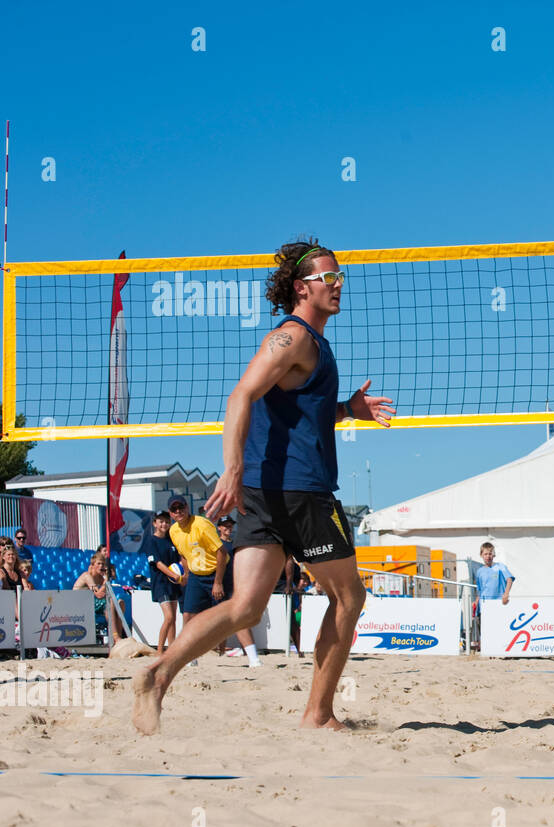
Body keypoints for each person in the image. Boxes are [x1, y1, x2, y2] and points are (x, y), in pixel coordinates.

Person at [133, 238, 394, 734]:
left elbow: (298, 415)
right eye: (329, 278)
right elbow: (241, 396)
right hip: (299, 493)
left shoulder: (310, 344)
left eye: (341, 277)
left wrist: (345, 411)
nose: (339, 285)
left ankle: (157, 672)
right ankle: (318, 716)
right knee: (349, 599)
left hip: (268, 491)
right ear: (301, 287)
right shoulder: (293, 338)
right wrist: (229, 470)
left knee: (244, 606)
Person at [166, 495, 228, 628]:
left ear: (187, 507)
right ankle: (188, 648)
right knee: (188, 614)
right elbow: (183, 554)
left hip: (216, 572)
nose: (178, 511)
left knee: (218, 616)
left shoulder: (202, 524)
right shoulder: (173, 531)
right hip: (196, 575)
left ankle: (220, 649)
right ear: (170, 513)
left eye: (181, 507)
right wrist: (187, 575)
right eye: (174, 509)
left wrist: (218, 582)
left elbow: (222, 552)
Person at [217, 516, 260, 667]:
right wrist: (217, 584)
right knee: (221, 621)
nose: (228, 528)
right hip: (221, 585)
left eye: (230, 526)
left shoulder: (236, 544)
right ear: (219, 528)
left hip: (236, 585)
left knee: (240, 620)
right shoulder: (217, 544)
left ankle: (252, 657)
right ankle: (221, 652)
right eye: (225, 526)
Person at [142, 511, 184, 654]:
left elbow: (178, 559)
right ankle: (160, 651)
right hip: (160, 583)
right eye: (161, 521)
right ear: (155, 523)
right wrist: (175, 576)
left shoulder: (171, 540)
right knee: (169, 617)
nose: (164, 524)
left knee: (173, 618)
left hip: (173, 583)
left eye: (166, 521)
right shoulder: (151, 541)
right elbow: (158, 563)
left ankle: (171, 649)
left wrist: (182, 574)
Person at [74, 553, 122, 645]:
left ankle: (118, 636)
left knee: (120, 603)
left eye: (103, 564)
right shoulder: (87, 576)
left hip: (91, 603)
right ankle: (116, 636)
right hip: (79, 604)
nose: (101, 566)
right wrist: (106, 579)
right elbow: (98, 594)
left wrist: (110, 576)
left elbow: (104, 594)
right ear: (92, 565)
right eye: (98, 564)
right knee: (111, 602)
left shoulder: (100, 578)